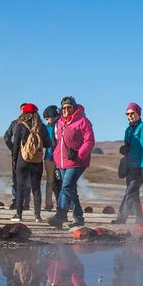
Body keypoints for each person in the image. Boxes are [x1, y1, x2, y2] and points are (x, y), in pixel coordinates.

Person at [47, 97, 95, 229]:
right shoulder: (60, 122)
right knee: (71, 189)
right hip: (62, 161)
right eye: (64, 108)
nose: (66, 110)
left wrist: (79, 154)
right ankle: (78, 217)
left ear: (74, 108)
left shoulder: (83, 121)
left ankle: (61, 215)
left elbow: (89, 141)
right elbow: (57, 142)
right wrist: (56, 159)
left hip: (78, 161)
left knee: (66, 188)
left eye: (69, 107)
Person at [113, 102, 143, 224]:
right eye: (127, 114)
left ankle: (121, 218)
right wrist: (124, 149)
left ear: (138, 113)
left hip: (139, 167)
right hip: (129, 166)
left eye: (132, 113)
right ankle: (140, 220)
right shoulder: (128, 130)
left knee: (130, 192)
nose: (130, 116)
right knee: (134, 194)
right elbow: (129, 147)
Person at [9, 103, 49, 223]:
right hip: (37, 162)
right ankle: (37, 216)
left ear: (24, 113)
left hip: (23, 160)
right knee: (36, 188)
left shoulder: (20, 126)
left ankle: (19, 215)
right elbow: (48, 144)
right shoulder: (42, 127)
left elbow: (16, 145)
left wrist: (14, 161)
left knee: (20, 187)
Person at [42, 105, 60, 211]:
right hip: (49, 156)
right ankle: (48, 204)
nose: (47, 121)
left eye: (48, 118)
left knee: (59, 182)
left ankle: (60, 204)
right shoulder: (46, 127)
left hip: (58, 157)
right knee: (50, 182)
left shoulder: (61, 125)